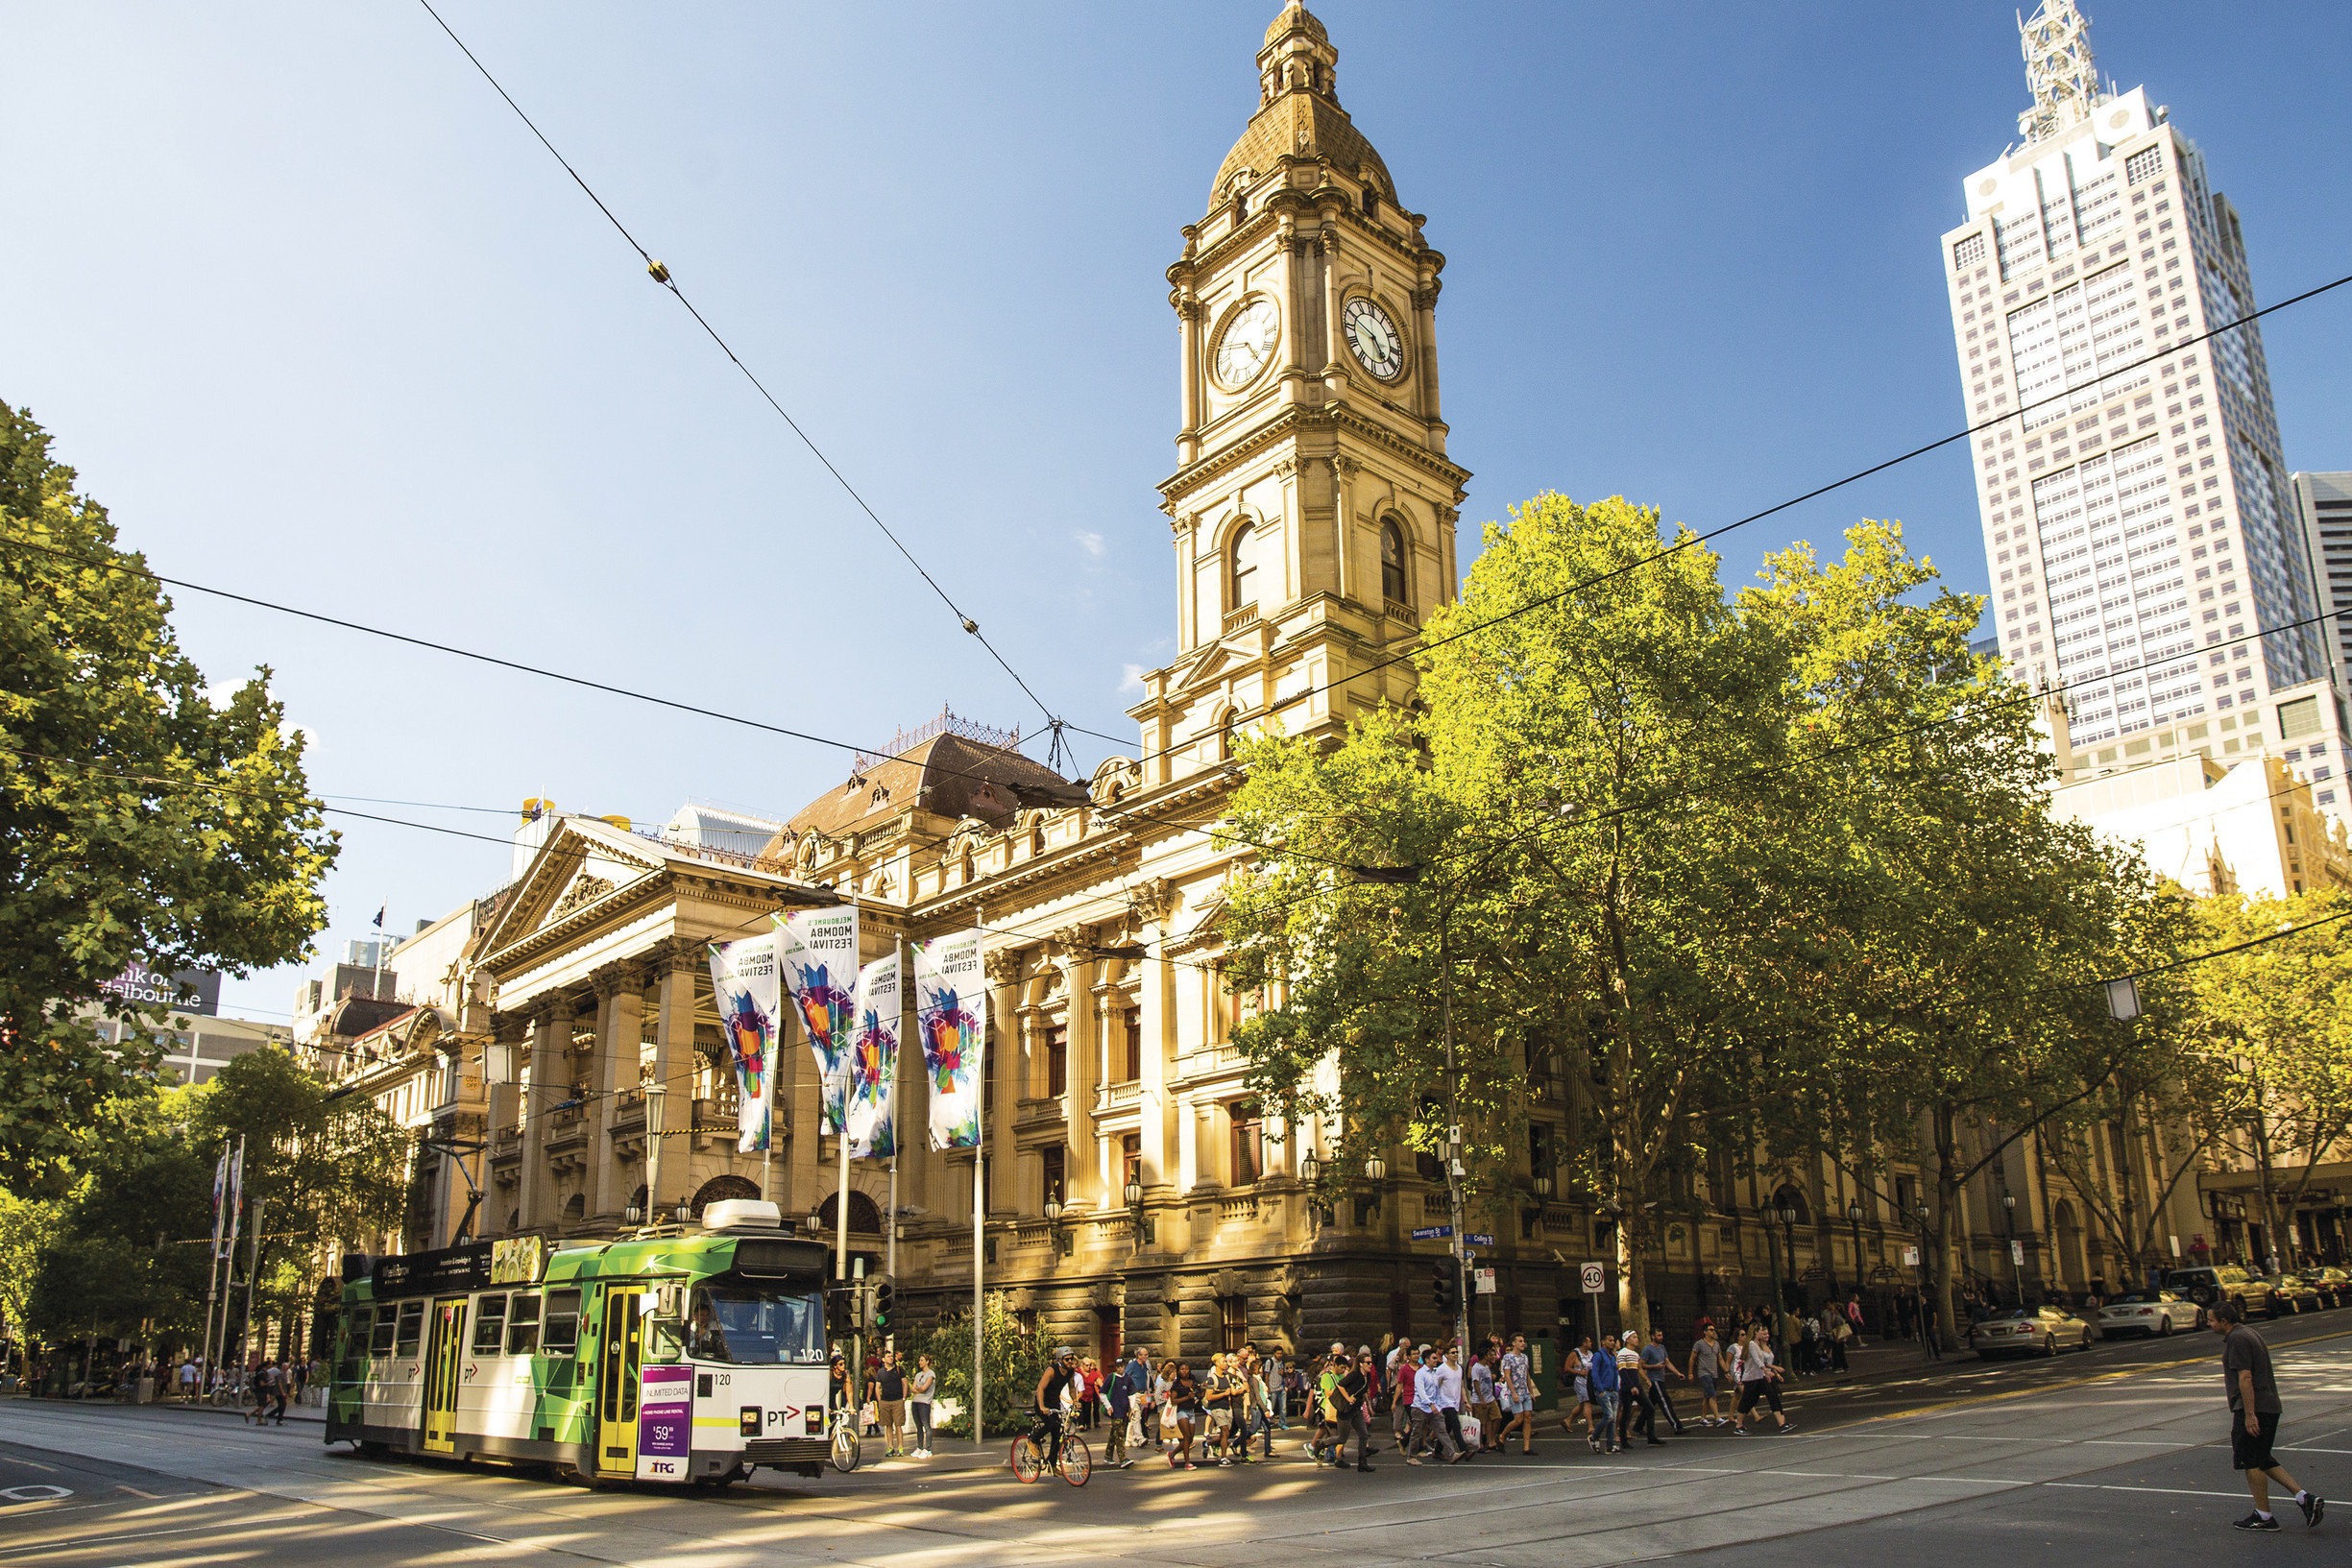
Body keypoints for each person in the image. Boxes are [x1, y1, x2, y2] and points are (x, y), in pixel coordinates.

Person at [2209, 1302, 2324, 1530]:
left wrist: (2250, 1414)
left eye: (2211, 1320)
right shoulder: (2248, 1333)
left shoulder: (2237, 1339)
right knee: (2262, 1458)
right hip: (2268, 1405)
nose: (2208, 1324)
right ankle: (2304, 1498)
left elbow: (2245, 1377)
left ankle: (2264, 1516)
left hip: (2255, 1407)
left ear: (2224, 1321)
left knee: (2250, 1460)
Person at [1731, 1325, 1793, 1435]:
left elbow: (1763, 1361)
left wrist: (1768, 1372)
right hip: (1750, 1378)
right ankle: (1739, 1425)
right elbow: (1757, 1361)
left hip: (1760, 1377)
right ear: (1755, 1332)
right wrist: (1766, 1371)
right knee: (1748, 1401)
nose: (1763, 1333)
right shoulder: (1751, 1344)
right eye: (1761, 1331)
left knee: (1772, 1397)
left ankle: (1782, 1423)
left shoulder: (1758, 1344)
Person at [1406, 1347, 1463, 1464]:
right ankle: (1411, 1456)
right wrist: (1430, 1404)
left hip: (1434, 1407)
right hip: (1420, 1407)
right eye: (1434, 1358)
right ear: (1427, 1360)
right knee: (1417, 1432)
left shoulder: (1435, 1373)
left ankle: (1452, 1454)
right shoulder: (1421, 1373)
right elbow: (1421, 1391)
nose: (1436, 1360)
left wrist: (1438, 1405)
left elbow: (1437, 1391)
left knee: (1442, 1430)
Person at [1032, 1347, 1079, 1471]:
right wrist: (1042, 1407)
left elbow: (1072, 1387)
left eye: (1071, 1358)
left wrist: (1075, 1401)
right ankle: (1033, 1440)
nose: (1070, 1361)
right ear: (1060, 1360)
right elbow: (1040, 1388)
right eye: (1067, 1359)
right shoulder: (1051, 1371)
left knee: (1057, 1433)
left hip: (1054, 1403)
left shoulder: (1070, 1371)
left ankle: (1052, 1464)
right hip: (1042, 1401)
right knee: (1050, 1424)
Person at [1640, 1330, 1685, 1435]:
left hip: (1661, 1378)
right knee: (1666, 1402)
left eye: (1661, 1335)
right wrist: (1655, 1366)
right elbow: (1641, 1365)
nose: (1661, 1337)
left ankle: (1638, 1425)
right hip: (1654, 1380)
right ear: (1653, 1336)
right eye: (1658, 1335)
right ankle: (1676, 1426)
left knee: (1650, 1405)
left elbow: (1667, 1362)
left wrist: (1677, 1373)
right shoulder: (1648, 1349)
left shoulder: (1662, 1348)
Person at [1497, 1334, 1537, 1454]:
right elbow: (1507, 1376)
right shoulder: (1508, 1358)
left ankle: (1526, 1447)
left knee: (1528, 1418)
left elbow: (1527, 1375)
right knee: (1518, 1419)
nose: (1523, 1343)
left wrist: (1531, 1391)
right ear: (1514, 1343)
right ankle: (1502, 1435)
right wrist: (1513, 1393)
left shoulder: (1525, 1357)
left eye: (1523, 1341)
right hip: (1516, 1391)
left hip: (1525, 1391)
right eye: (1520, 1341)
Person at [1585, 1334, 1621, 1455]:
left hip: (1612, 1390)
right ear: (1603, 1342)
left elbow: (1615, 1372)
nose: (1612, 1342)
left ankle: (1609, 1445)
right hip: (1603, 1390)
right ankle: (1594, 1436)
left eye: (1613, 1340)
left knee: (1613, 1419)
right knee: (1609, 1416)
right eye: (1610, 1340)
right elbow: (1595, 1373)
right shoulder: (1598, 1356)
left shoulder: (1612, 1357)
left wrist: (1616, 1389)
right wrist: (1600, 1390)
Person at [1165, 1361, 1200, 1469]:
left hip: (1191, 1410)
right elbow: (1173, 1400)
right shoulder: (1177, 1384)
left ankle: (1172, 1454)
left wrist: (1201, 1391)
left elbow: (1199, 1394)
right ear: (1178, 1372)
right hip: (1181, 1411)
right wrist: (1187, 1397)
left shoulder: (1193, 1381)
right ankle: (1187, 1462)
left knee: (1190, 1439)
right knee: (1186, 1436)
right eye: (1182, 1369)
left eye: (1187, 1369)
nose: (1185, 1371)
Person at [875, 1350, 908, 1458]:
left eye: (892, 1356)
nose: (891, 1358)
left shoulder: (899, 1369)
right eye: (888, 1356)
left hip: (897, 1400)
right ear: (883, 1359)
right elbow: (877, 1387)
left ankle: (900, 1447)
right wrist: (879, 1400)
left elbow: (905, 1383)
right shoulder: (880, 1372)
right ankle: (890, 1447)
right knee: (888, 1425)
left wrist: (903, 1398)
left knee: (898, 1424)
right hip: (885, 1401)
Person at [909, 1353, 936, 1459]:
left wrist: (919, 1389)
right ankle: (919, 1447)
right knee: (918, 1426)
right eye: (919, 1360)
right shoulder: (918, 1375)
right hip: (915, 1401)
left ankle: (928, 1449)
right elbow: (912, 1388)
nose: (919, 1362)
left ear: (927, 1362)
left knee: (926, 1425)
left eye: (922, 1360)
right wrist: (918, 1389)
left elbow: (924, 1388)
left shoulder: (931, 1374)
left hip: (925, 1402)